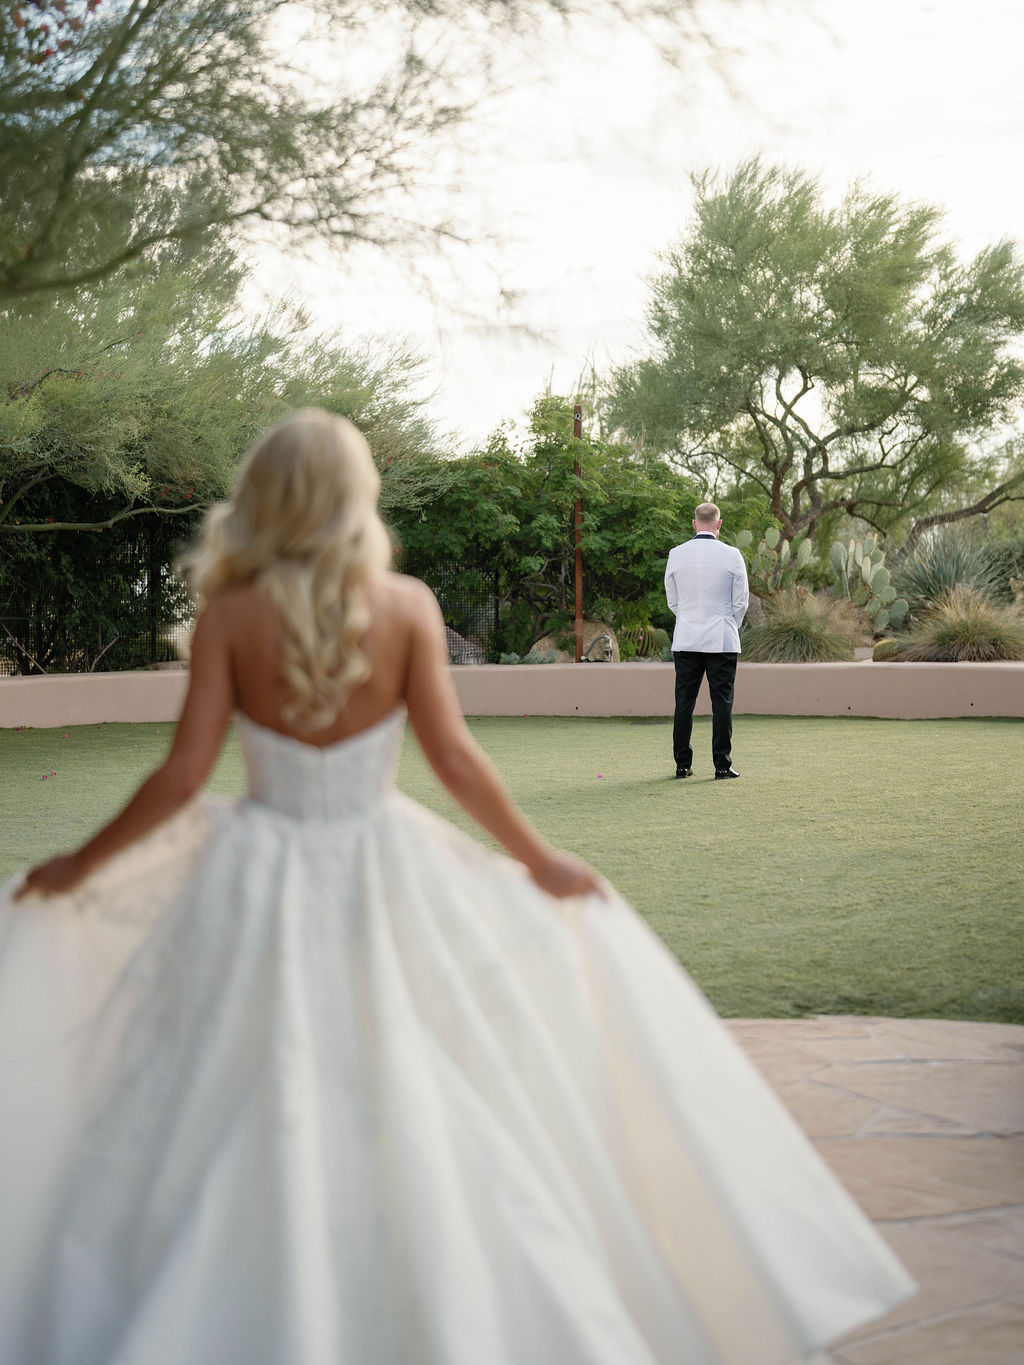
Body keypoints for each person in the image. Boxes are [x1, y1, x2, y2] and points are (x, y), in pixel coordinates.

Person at [0, 411, 912, 1365]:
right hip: (382, 862)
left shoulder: (232, 611)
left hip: (256, 867)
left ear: (264, 497)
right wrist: (536, 856)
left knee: (242, 1063)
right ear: (358, 498)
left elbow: (182, 776)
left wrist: (81, 863)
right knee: (411, 1052)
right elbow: (455, 758)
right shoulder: (404, 608)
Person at [665, 503, 749, 780]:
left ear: (694, 523)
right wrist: (728, 624)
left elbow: (673, 601)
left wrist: (690, 619)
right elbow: (741, 601)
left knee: (684, 703)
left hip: (686, 638)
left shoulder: (676, 555)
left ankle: (681, 765)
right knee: (722, 702)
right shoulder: (732, 555)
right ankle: (722, 765)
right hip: (721, 640)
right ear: (719, 524)